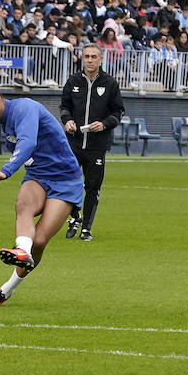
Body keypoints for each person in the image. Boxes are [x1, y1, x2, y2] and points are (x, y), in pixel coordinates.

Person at [0, 79, 83, 307]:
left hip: (65, 180)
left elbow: (27, 142)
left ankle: (6, 290)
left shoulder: (25, 108)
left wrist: (5, 170)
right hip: (37, 175)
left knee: (38, 242)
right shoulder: (4, 120)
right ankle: (21, 250)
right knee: (23, 205)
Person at [58, 44, 125, 242]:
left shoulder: (110, 83)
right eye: (86, 56)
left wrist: (104, 124)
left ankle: (86, 228)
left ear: (100, 59)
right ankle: (74, 217)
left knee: (93, 187)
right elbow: (64, 107)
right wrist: (67, 121)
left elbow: (118, 112)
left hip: (97, 145)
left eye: (93, 56)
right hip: (74, 144)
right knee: (68, 184)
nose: (89, 60)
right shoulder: (73, 81)